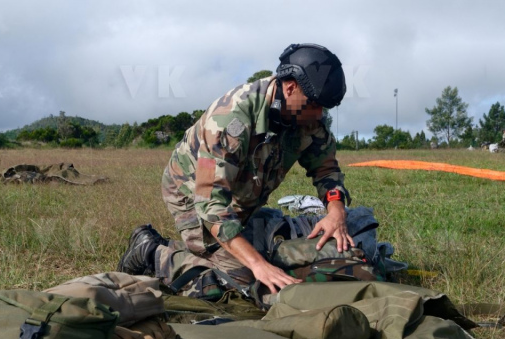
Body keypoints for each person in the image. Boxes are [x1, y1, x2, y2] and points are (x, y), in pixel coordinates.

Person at [118, 43, 352, 297]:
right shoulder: (231, 118)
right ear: (291, 87)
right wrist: (257, 265)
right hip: (191, 192)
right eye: (314, 105)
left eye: (324, 108)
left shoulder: (308, 116)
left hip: (238, 194)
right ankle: (153, 253)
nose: (319, 115)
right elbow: (211, 204)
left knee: (258, 258)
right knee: (244, 282)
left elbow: (326, 168)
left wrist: (336, 210)